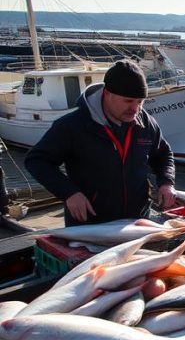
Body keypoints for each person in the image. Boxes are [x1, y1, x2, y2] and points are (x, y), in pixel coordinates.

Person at [25, 60, 176, 226]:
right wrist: (69, 193)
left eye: (140, 102)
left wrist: (166, 182)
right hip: (90, 225)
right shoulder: (73, 125)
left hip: (137, 223)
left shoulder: (146, 123)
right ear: (107, 93)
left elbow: (163, 154)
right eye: (128, 101)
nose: (135, 109)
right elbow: (37, 160)